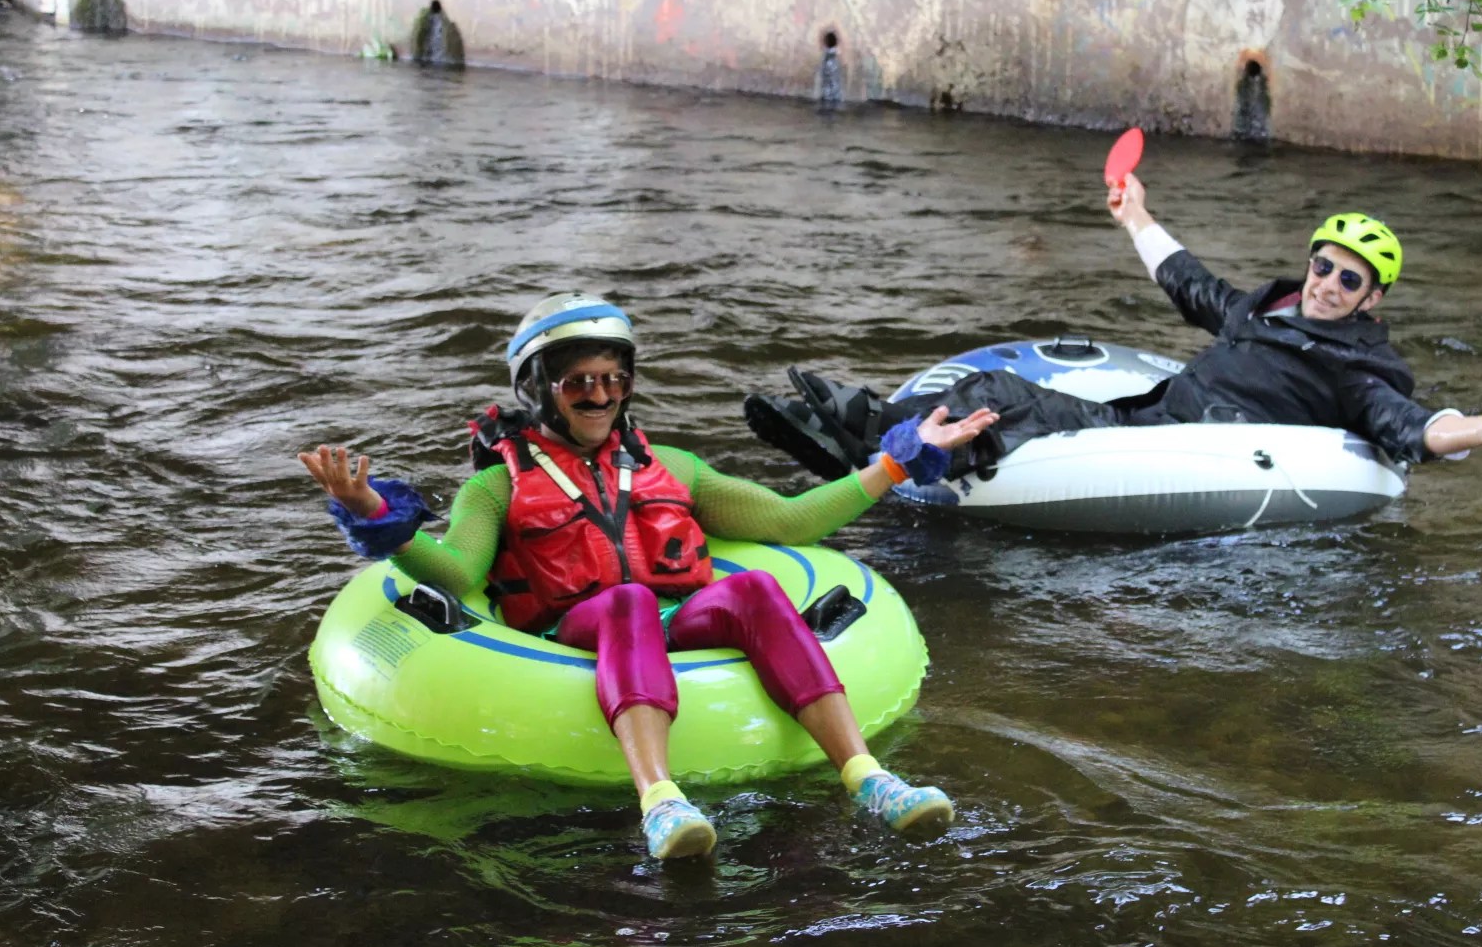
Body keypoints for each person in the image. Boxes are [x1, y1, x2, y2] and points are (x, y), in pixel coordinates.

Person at [300, 293, 999, 861]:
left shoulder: (675, 467)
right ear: (539, 390)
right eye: (579, 383)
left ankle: (869, 779)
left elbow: (790, 522)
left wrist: (899, 461)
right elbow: (454, 574)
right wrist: (376, 516)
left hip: (676, 619)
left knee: (754, 587)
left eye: (613, 380)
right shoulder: (495, 487)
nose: (599, 396)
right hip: (575, 626)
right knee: (628, 599)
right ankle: (660, 801)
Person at [744, 172, 1482, 481]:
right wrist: (1135, 214)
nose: (1328, 284)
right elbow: (1189, 284)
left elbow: (1411, 428)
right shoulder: (1263, 310)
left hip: (1200, 450)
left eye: (1349, 279)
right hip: (1149, 417)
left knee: (1007, 411)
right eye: (1324, 265)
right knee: (996, 387)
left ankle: (867, 451)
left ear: (1371, 300)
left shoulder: (1359, 368)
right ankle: (859, 435)